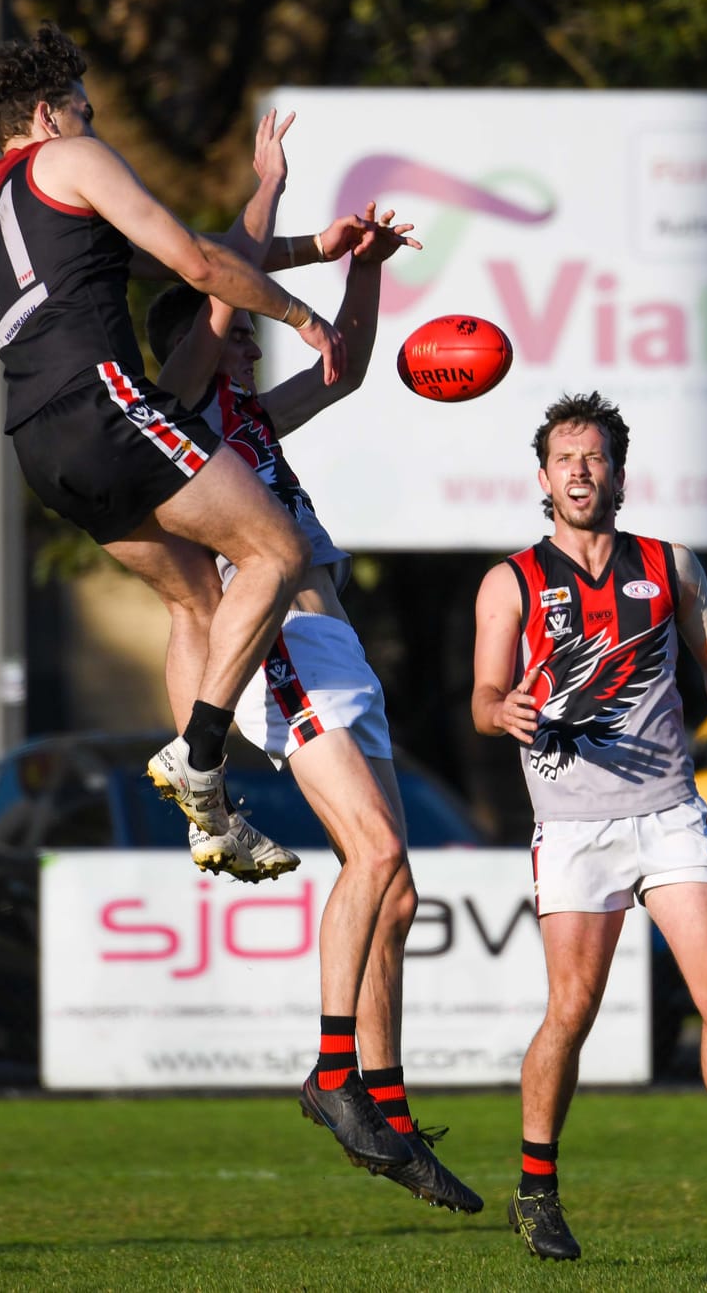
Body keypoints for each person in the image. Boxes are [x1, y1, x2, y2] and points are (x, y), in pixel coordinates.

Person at [139, 126, 478, 1212]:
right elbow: (216, 296)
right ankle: (334, 1072)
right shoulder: (183, 408)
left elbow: (344, 370)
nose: (242, 348)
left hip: (329, 640)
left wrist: (361, 274)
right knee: (373, 851)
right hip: (281, 640)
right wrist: (264, 195)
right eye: (227, 333)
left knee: (396, 888)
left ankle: (378, 1100)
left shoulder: (244, 415)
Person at [0, 26, 368, 881]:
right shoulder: (70, 158)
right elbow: (194, 260)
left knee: (195, 600)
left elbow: (172, 260)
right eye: (82, 106)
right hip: (103, 403)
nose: (90, 118)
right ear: (46, 113)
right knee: (278, 551)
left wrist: (302, 239)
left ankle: (209, 822)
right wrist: (301, 314)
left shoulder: (0, 213)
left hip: (40, 445)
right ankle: (202, 755)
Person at [470, 392, 707, 1260]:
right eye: (564, 458)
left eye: (594, 457)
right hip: (575, 825)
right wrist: (498, 708)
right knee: (573, 1009)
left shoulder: (670, 563)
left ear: (619, 472)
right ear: (542, 477)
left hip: (668, 811)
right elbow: (480, 694)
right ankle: (536, 1189)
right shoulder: (511, 579)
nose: (580, 471)